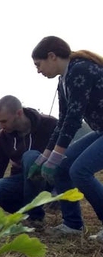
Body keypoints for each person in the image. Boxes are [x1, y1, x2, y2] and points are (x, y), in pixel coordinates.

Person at [29, 36, 103, 241]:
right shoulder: (63, 80)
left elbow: (73, 119)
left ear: (51, 56)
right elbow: (62, 122)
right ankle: (72, 225)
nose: (38, 71)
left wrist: (54, 157)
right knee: (63, 169)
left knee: (80, 171)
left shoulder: (80, 69)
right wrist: (44, 158)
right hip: (100, 130)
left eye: (38, 64)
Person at [0, 95, 57, 224]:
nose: (1, 126)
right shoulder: (1, 137)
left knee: (30, 157)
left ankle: (34, 217)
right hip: (21, 181)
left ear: (19, 113)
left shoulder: (50, 125)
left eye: (4, 121)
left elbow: (65, 156)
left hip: (48, 179)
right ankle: (25, 213)